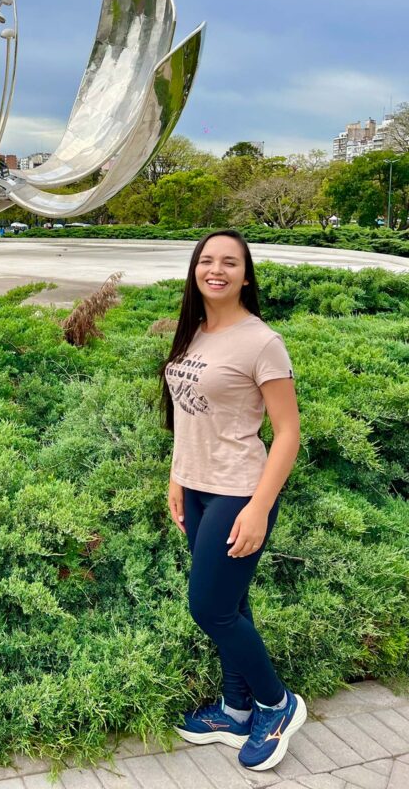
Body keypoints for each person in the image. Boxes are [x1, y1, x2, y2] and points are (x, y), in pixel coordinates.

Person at [161, 229, 306, 772]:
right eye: (206, 260)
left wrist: (259, 507)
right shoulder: (194, 332)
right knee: (232, 604)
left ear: (246, 275)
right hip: (197, 487)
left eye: (230, 262)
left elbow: (288, 433)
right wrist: (177, 478)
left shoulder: (261, 341)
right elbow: (187, 415)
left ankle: (276, 702)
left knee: (211, 608)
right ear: (195, 269)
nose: (215, 269)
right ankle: (235, 709)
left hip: (238, 491)